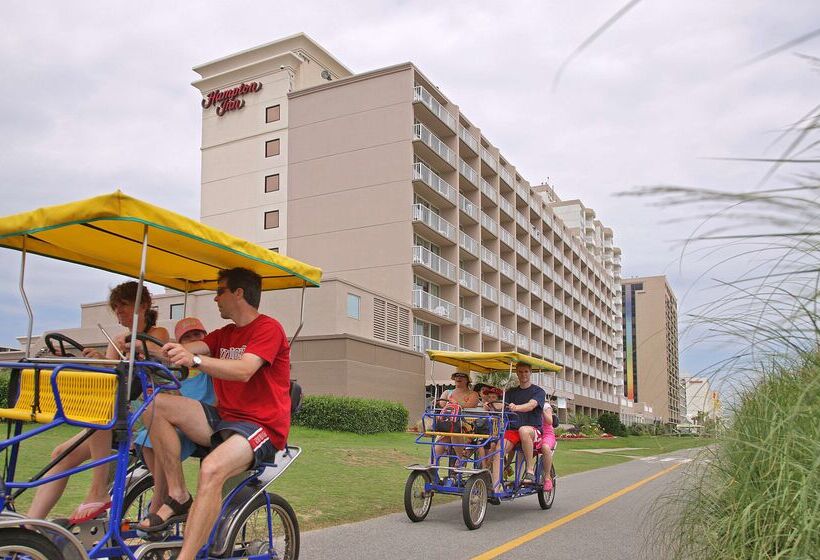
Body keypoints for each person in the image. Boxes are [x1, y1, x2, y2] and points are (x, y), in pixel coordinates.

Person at [137, 267, 290, 560]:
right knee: (154, 405)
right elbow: (189, 348)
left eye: (220, 291)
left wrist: (194, 359)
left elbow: (245, 370)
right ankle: (178, 495)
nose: (215, 299)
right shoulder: (225, 334)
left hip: (261, 427)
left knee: (211, 470)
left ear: (239, 293)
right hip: (224, 421)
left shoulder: (268, 328)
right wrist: (143, 347)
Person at [27, 281, 169, 524]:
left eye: (124, 306)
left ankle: (98, 490)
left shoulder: (157, 335)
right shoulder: (117, 340)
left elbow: (154, 352)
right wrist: (99, 359)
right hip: (118, 413)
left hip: (147, 413)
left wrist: (130, 346)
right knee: (60, 453)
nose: (119, 312)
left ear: (144, 305)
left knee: (101, 412)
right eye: (116, 308)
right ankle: (29, 525)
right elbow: (110, 378)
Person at [133, 317, 215, 520]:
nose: (194, 339)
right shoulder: (175, 373)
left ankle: (160, 500)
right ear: (180, 343)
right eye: (187, 337)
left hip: (200, 421)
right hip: (173, 419)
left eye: (197, 334)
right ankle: (166, 491)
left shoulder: (209, 366)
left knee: (161, 436)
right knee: (146, 436)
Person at [492, 362, 546, 487]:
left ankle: (530, 469)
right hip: (513, 430)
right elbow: (502, 405)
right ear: (517, 373)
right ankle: (495, 487)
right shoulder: (511, 392)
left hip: (533, 430)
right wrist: (491, 404)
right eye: (520, 372)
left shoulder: (538, 391)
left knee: (523, 430)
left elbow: (531, 405)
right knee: (498, 450)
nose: (523, 374)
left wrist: (516, 407)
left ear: (530, 372)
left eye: (526, 371)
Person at [433, 371, 479, 462]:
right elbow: (441, 404)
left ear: (467, 380)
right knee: (443, 438)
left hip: (466, 424)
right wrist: (436, 402)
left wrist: (456, 403)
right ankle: (433, 465)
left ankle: (460, 460)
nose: (459, 378)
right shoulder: (447, 392)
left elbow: (471, 405)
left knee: (454, 433)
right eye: (456, 376)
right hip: (448, 423)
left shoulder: (473, 394)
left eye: (462, 376)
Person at [538, 396, 557, 491]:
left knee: (545, 447)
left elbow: (550, 421)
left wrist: (541, 410)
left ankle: (547, 477)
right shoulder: (528, 406)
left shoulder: (546, 406)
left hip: (547, 435)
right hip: (535, 433)